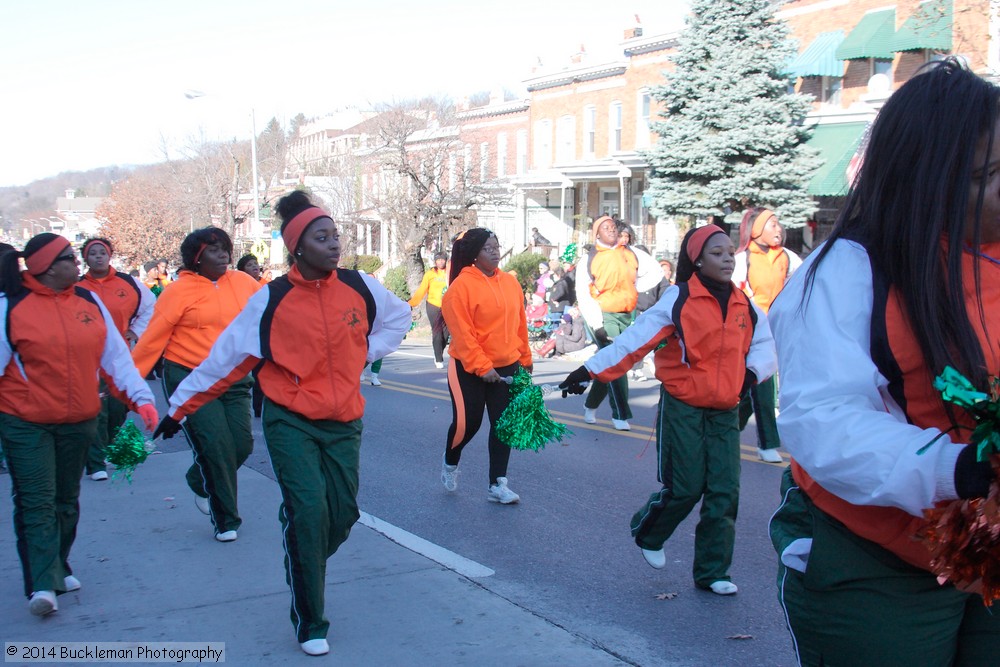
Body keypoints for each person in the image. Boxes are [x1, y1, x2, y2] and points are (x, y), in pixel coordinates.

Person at [767, 59, 1000, 665]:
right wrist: (959, 470)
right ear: (928, 180)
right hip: (877, 556)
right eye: (990, 174)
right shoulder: (846, 272)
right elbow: (824, 423)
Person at [153, 191, 409, 655]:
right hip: (291, 420)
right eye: (321, 237)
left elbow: (399, 317)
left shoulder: (361, 286)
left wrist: (366, 353)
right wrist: (180, 407)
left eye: (335, 236)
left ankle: (302, 550)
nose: (334, 245)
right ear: (298, 247)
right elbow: (224, 361)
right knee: (309, 513)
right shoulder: (270, 301)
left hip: (344, 421)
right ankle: (311, 620)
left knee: (343, 513)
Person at [559, 224, 776, 595]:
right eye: (716, 253)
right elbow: (635, 342)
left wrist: (750, 376)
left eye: (729, 252)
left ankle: (713, 572)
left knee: (725, 491)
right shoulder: (679, 298)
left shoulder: (746, 305)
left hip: (725, 409)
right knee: (687, 487)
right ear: (697, 260)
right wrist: (588, 370)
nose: (726, 259)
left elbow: (765, 345)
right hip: (685, 407)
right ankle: (649, 531)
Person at [0, 233, 158, 616]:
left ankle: (58, 562)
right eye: (71, 257)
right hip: (26, 422)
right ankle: (42, 583)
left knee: (66, 501)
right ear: (48, 267)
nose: (78, 263)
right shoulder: (10, 308)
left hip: (79, 420)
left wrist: (142, 398)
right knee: (37, 500)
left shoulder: (89, 302)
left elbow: (116, 357)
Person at [132, 226, 261, 543]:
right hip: (189, 377)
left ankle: (198, 479)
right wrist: (128, 385)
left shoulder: (245, 283)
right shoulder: (179, 291)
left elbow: (270, 319)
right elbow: (151, 341)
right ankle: (226, 520)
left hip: (232, 378)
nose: (224, 255)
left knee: (241, 445)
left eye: (225, 249)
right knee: (216, 448)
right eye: (214, 250)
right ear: (196, 258)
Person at [440, 228, 531, 504]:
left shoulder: (510, 283)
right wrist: (482, 366)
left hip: (506, 366)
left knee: (504, 426)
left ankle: (497, 484)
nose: (494, 251)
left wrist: (525, 361)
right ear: (474, 255)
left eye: (496, 245)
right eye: (487, 248)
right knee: (468, 424)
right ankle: (450, 462)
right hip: (467, 368)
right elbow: (463, 335)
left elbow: (520, 325)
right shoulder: (460, 287)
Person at [78, 237, 156, 481]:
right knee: (96, 409)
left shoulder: (128, 283)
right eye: (93, 253)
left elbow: (151, 306)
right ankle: (95, 462)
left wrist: (135, 331)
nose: (98, 257)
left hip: (120, 356)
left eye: (103, 252)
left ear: (110, 255)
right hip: (89, 358)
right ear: (85, 258)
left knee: (117, 408)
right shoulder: (78, 286)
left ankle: (106, 444)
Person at [576, 215, 661, 430]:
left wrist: (636, 290)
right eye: (606, 227)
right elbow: (583, 295)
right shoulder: (589, 259)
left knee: (610, 364)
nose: (612, 230)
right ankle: (621, 414)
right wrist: (597, 325)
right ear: (597, 234)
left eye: (613, 226)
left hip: (627, 313)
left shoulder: (632, 253)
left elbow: (655, 272)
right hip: (603, 314)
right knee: (619, 361)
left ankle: (591, 404)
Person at [732, 207, 802, 463]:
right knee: (763, 383)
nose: (779, 229)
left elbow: (800, 283)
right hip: (752, 331)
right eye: (772, 224)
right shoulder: (743, 259)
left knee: (754, 385)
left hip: (778, 329)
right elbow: (737, 294)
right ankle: (768, 444)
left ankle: (728, 428)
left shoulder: (788, 257)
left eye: (778, 224)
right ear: (757, 229)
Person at [407, 252, 449, 369]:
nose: (440, 262)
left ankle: (438, 352)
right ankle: (438, 358)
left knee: (446, 333)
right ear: (435, 261)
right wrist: (411, 303)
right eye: (438, 260)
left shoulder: (449, 273)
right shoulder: (430, 274)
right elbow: (422, 290)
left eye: (442, 260)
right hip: (433, 305)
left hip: (447, 306)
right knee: (437, 331)